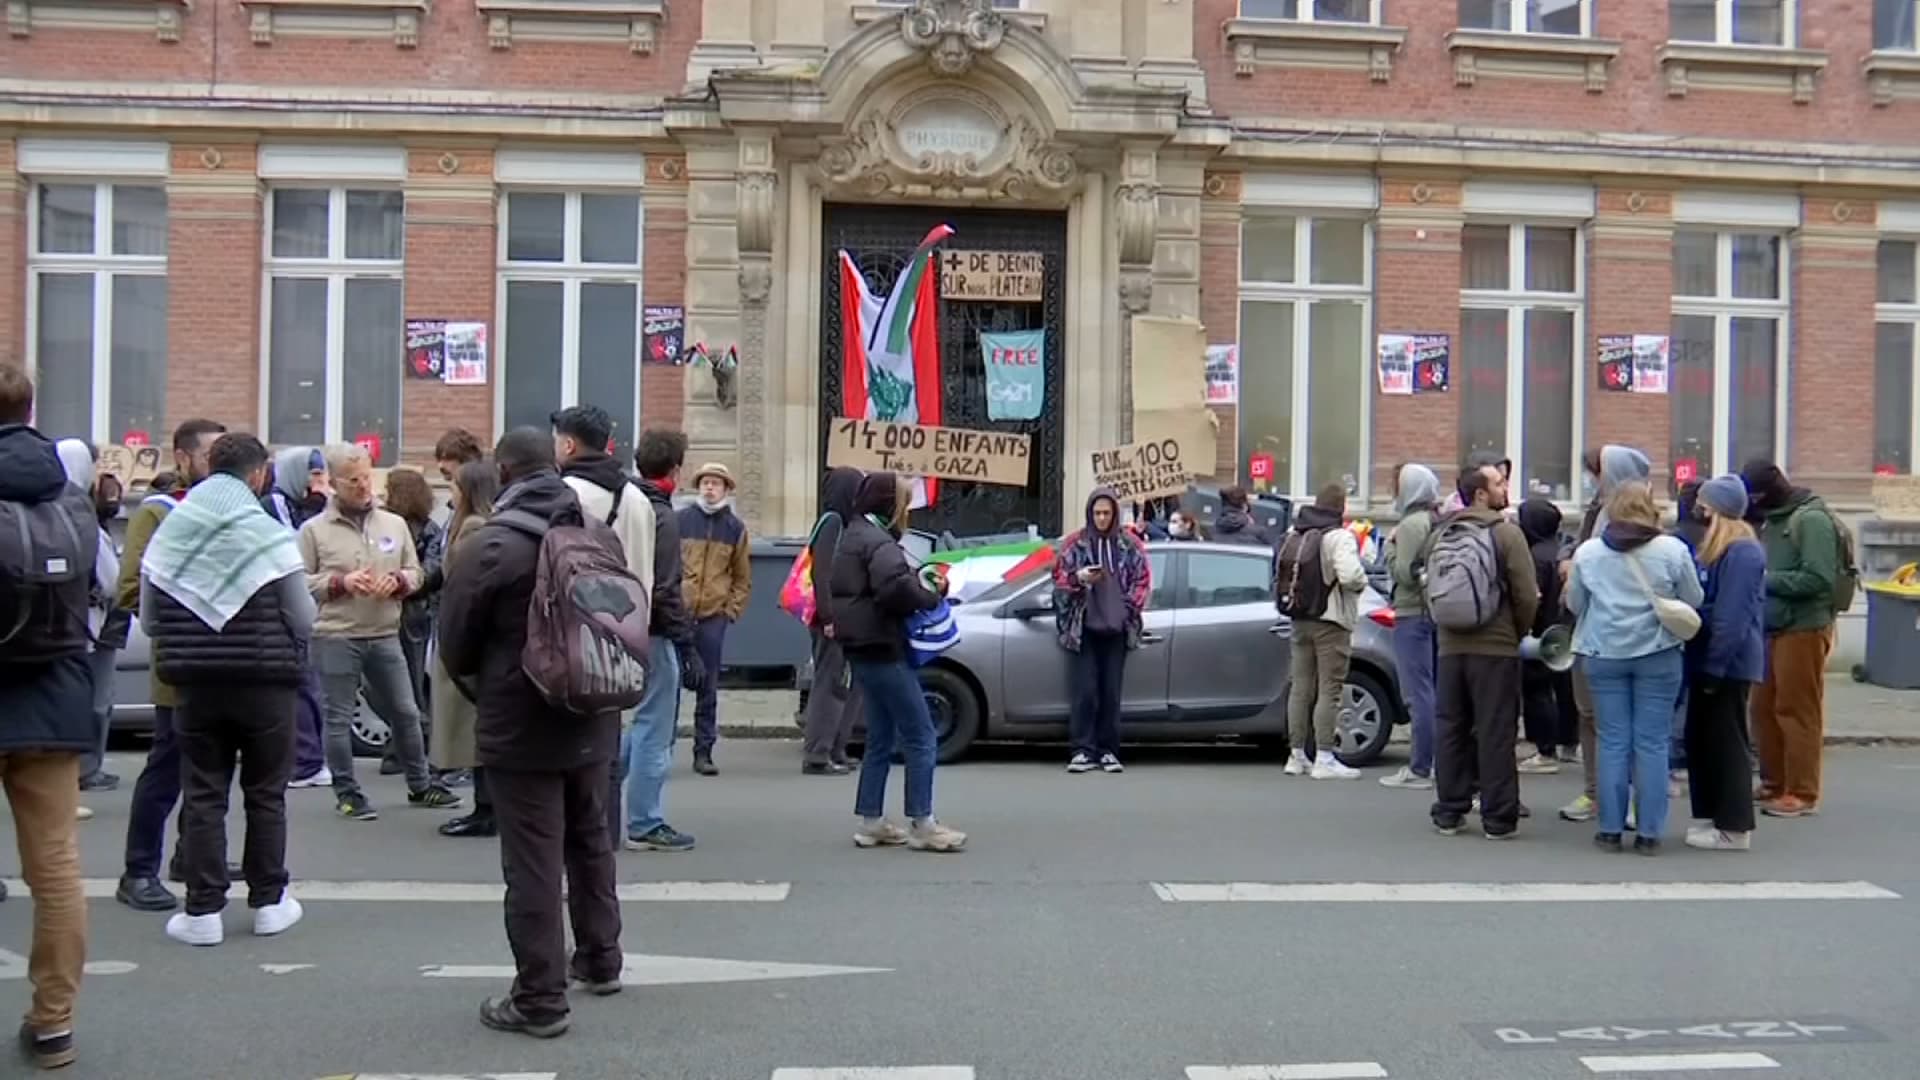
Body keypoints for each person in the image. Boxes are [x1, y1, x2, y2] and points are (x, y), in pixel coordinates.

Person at [437, 428, 623, 1038]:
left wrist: (489, 686)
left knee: (534, 861)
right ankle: (600, 959)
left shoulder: (492, 546)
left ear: (505, 473)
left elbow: (455, 641)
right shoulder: (598, 535)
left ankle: (540, 998)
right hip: (593, 708)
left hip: (520, 719)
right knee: (590, 840)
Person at [139, 433, 311, 946]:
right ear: (258, 475)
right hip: (267, 685)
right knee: (266, 794)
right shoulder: (269, 534)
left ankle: (202, 912)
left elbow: (149, 622)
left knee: (204, 794)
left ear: (209, 466)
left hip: (195, 685)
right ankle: (269, 903)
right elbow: (302, 620)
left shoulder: (172, 531)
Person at [0, 366, 98, 1069]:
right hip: (54, 696)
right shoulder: (70, 492)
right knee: (57, 872)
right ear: (30, 407)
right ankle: (54, 1021)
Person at [298, 443, 459, 821]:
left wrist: (400, 581)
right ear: (334, 483)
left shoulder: (393, 524)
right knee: (337, 718)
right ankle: (348, 792)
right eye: (352, 480)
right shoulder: (314, 531)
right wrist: (341, 582)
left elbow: (417, 571)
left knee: (406, 711)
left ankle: (420, 785)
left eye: (367, 477)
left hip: (385, 631)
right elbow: (301, 582)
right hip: (337, 634)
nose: (362, 486)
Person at [115, 418, 227, 913]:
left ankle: (193, 857)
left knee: (211, 771)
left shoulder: (227, 511)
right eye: (210, 454)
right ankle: (138, 869)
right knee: (166, 770)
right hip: (178, 663)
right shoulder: (157, 513)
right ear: (182, 458)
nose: (220, 465)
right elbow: (130, 591)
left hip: (224, 662)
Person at [830, 471, 965, 851]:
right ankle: (923, 823)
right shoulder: (878, 542)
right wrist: (930, 593)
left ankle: (871, 820)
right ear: (890, 504)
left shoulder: (853, 535)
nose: (906, 511)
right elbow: (894, 591)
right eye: (903, 503)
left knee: (881, 737)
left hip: (860, 648)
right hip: (883, 648)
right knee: (921, 735)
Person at [1567, 485, 1704, 854]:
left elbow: (1576, 604)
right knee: (1652, 742)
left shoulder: (1589, 553)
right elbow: (1693, 600)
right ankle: (1649, 833)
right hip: (1658, 654)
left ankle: (1610, 829)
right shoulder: (1672, 550)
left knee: (1612, 741)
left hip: (1603, 653)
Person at [1428, 461, 1537, 840]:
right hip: (1495, 647)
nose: (1505, 486)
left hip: (1449, 645)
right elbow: (1526, 594)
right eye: (1498, 482)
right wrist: (1515, 631)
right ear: (1479, 494)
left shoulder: (1442, 533)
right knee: (1496, 730)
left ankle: (1449, 809)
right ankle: (1498, 816)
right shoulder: (1506, 534)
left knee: (1451, 727)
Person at [615, 429, 705, 853]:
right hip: (655, 632)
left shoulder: (626, 503)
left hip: (623, 625)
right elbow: (666, 589)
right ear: (675, 468)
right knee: (656, 727)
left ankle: (602, 792)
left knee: (639, 721)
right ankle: (645, 822)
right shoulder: (662, 514)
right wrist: (687, 646)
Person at [1742, 460, 1843, 819]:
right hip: (1774, 626)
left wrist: (1765, 579)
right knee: (1763, 708)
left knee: (1797, 710)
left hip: (1804, 627)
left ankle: (1801, 791)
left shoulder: (1810, 520)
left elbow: (1819, 580)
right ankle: (1773, 782)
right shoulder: (1775, 518)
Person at [1559, 444, 1653, 824]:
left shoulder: (1636, 524)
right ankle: (1596, 792)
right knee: (1589, 716)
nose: (1592, 480)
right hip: (1590, 634)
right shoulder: (1594, 513)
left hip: (1619, 637)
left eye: (1597, 471)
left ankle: (1626, 797)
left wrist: (1576, 578)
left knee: (1620, 721)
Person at [1683, 475, 1767, 851]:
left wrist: (1715, 667)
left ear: (1715, 509)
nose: (1696, 509)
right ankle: (1710, 815)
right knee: (1702, 741)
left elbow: (1731, 618)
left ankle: (1734, 827)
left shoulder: (1743, 552)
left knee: (1727, 744)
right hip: (1711, 659)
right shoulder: (1723, 549)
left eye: (1702, 504)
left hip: (1727, 665)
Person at [1053, 487, 1152, 774]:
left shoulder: (1128, 544)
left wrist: (1127, 610)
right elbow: (1058, 579)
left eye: (1107, 513)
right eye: (1097, 513)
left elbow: (1142, 579)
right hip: (1083, 628)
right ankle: (1083, 750)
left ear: (1114, 515)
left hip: (1117, 628)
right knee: (1085, 692)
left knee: (1111, 692)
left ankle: (1109, 750)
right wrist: (1078, 578)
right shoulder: (1076, 544)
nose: (1101, 518)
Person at [1273, 483, 1367, 779]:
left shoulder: (1295, 534)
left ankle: (1296, 755)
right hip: (1331, 621)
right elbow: (1350, 575)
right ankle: (1325, 756)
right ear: (1342, 508)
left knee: (1300, 687)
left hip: (1299, 618)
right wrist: (1362, 582)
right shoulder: (1339, 537)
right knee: (1330, 689)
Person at [434, 461, 500, 838]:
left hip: (466, 638)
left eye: (455, 486)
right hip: (466, 634)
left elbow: (465, 585)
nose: (450, 492)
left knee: (472, 728)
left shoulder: (475, 527)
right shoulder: (468, 523)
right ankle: (484, 806)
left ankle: (486, 809)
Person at [55, 441, 124, 797]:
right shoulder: (84, 518)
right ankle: (87, 769)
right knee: (97, 699)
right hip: (91, 622)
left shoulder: (40, 511)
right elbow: (113, 581)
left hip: (48, 625)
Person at [675, 463, 751, 777]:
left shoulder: (734, 528)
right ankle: (661, 749)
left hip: (712, 616)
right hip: (679, 613)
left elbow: (742, 577)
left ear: (725, 489)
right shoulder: (681, 521)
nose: (709, 488)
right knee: (670, 685)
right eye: (705, 482)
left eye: (716, 483)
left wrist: (729, 611)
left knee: (708, 686)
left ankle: (703, 751)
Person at [261, 447, 331, 789]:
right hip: (285, 606)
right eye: (312, 474)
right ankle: (306, 758)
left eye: (322, 474)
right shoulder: (272, 505)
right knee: (301, 685)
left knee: (307, 685)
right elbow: (290, 549)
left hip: (306, 606)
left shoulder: (312, 506)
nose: (318, 483)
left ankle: (309, 758)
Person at [1380, 463, 1441, 790]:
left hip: (1411, 613)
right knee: (1433, 691)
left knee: (1417, 693)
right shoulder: (1435, 519)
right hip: (1433, 613)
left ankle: (1420, 767)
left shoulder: (1410, 525)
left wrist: (1388, 549)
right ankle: (1436, 763)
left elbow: (1403, 573)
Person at [801, 467, 865, 775]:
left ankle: (836, 748)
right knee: (829, 684)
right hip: (827, 618)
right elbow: (822, 573)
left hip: (837, 616)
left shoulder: (842, 521)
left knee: (842, 683)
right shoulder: (832, 522)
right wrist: (828, 617)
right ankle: (818, 753)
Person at [553, 406, 655, 594]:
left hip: (580, 616)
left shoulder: (562, 494)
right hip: (633, 615)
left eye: (556, 441)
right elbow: (645, 571)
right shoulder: (638, 498)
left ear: (569, 445)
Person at [1516, 497, 1577, 773]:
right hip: (1566, 628)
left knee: (1537, 689)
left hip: (1541, 631)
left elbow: (1533, 597)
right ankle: (1569, 743)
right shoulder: (1561, 551)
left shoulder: (1534, 556)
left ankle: (1545, 749)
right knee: (1565, 689)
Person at [383, 468, 442, 721]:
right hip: (401, 612)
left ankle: (412, 744)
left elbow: (432, 570)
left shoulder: (425, 530)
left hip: (412, 614)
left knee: (410, 681)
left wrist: (402, 582)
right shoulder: (388, 525)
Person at [263, 446, 328, 531]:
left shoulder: (303, 501)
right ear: (296, 473)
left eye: (322, 474)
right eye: (315, 474)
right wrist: (313, 507)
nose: (320, 480)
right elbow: (296, 538)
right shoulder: (274, 502)